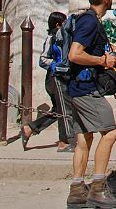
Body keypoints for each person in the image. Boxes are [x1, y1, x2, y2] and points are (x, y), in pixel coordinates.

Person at [66, 0, 116, 209]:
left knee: (84, 138)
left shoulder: (87, 19)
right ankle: (98, 189)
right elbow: (75, 54)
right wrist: (103, 60)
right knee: (109, 133)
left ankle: (77, 190)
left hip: (76, 87)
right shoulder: (89, 22)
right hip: (86, 89)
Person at [21, 11, 74, 152]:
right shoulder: (51, 39)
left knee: (58, 110)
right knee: (64, 110)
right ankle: (64, 142)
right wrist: (58, 65)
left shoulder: (64, 38)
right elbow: (42, 60)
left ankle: (30, 128)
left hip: (60, 78)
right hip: (54, 79)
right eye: (64, 22)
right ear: (58, 24)